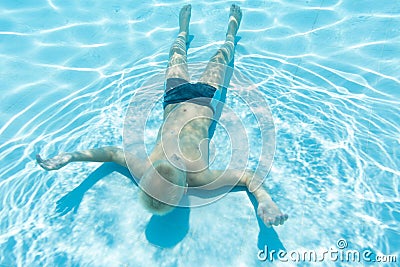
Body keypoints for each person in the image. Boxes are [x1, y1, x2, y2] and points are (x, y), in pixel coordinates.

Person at [36, 4, 288, 227]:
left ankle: (182, 31)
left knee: (176, 54)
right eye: (176, 167)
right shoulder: (202, 177)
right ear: (184, 185)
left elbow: (111, 154)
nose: (173, 157)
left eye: (161, 167)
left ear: (148, 177)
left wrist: (70, 157)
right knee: (220, 57)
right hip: (204, 98)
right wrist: (264, 199)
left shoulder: (144, 169)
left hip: (174, 97)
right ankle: (231, 33)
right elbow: (247, 178)